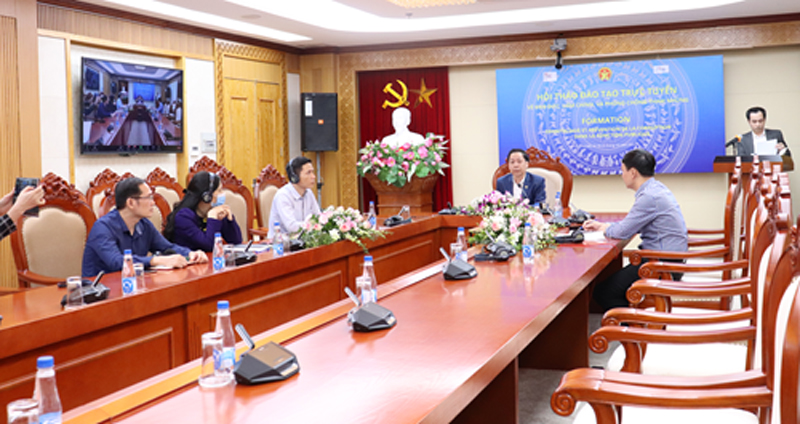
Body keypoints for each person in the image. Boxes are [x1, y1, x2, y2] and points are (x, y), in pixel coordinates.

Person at [583, 149, 688, 312]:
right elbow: (629, 225)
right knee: (611, 285)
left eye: (622, 171)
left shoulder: (649, 197)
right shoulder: (655, 188)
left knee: (604, 292)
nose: (621, 175)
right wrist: (603, 226)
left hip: (662, 264)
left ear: (632, 173)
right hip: (670, 259)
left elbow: (622, 232)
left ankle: (634, 324)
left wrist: (605, 230)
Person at [82, 177, 207, 277]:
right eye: (148, 198)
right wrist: (155, 260)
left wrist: (191, 253)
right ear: (130, 202)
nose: (153, 203)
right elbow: (117, 262)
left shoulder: (144, 224)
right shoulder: (103, 227)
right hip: (101, 292)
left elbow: (167, 247)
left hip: (134, 285)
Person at [163, 171, 242, 252]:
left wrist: (229, 220)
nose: (223, 194)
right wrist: (212, 218)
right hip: (187, 259)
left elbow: (236, 241)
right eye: (219, 190)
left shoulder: (214, 211)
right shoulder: (183, 217)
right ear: (207, 197)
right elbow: (209, 246)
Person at [268, 156, 321, 239]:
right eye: (308, 173)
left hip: (303, 240)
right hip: (281, 243)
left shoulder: (309, 193)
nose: (313, 176)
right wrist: (312, 225)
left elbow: (318, 217)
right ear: (295, 177)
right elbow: (292, 227)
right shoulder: (283, 195)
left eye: (312, 172)